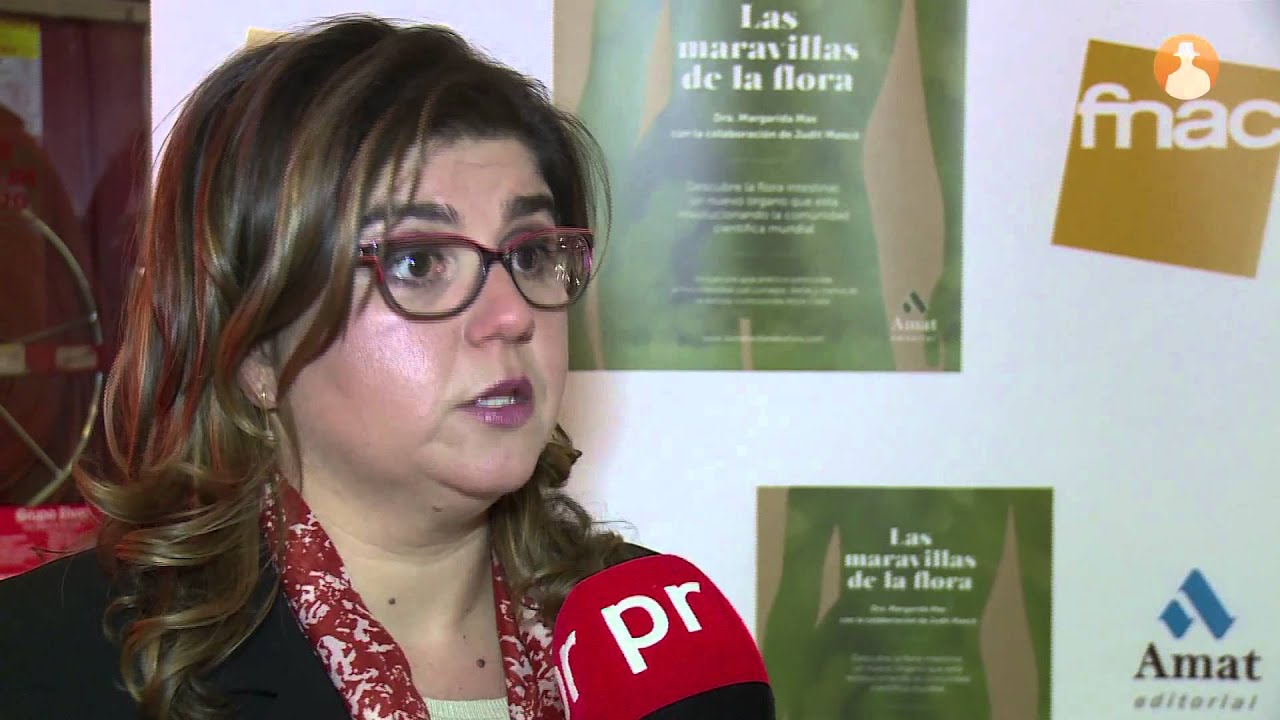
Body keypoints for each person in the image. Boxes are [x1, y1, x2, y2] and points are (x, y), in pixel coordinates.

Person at [0, 15, 650, 720]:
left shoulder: (653, 636)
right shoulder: (47, 666)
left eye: (530, 253)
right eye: (418, 262)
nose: (512, 314)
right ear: (254, 350)